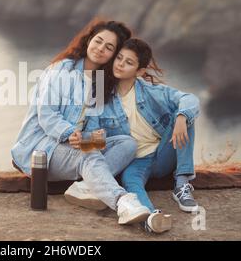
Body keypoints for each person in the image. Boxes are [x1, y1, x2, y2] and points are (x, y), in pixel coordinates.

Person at [11, 19, 152, 225]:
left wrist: (93, 137)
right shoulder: (61, 70)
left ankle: (85, 187)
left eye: (109, 47)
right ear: (89, 39)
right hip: (41, 149)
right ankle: (123, 202)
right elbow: (47, 114)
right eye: (98, 41)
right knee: (89, 154)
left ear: (113, 55)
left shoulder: (100, 82)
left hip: (72, 146)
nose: (101, 48)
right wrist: (70, 133)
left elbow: (92, 125)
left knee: (127, 144)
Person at [72, 38, 200, 233]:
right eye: (119, 58)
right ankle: (151, 218)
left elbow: (189, 99)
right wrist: (86, 139)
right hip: (134, 162)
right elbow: (93, 137)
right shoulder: (100, 96)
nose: (120, 64)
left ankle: (181, 183)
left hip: (162, 155)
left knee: (183, 116)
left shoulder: (151, 92)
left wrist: (182, 117)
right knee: (131, 184)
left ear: (139, 71)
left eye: (129, 62)